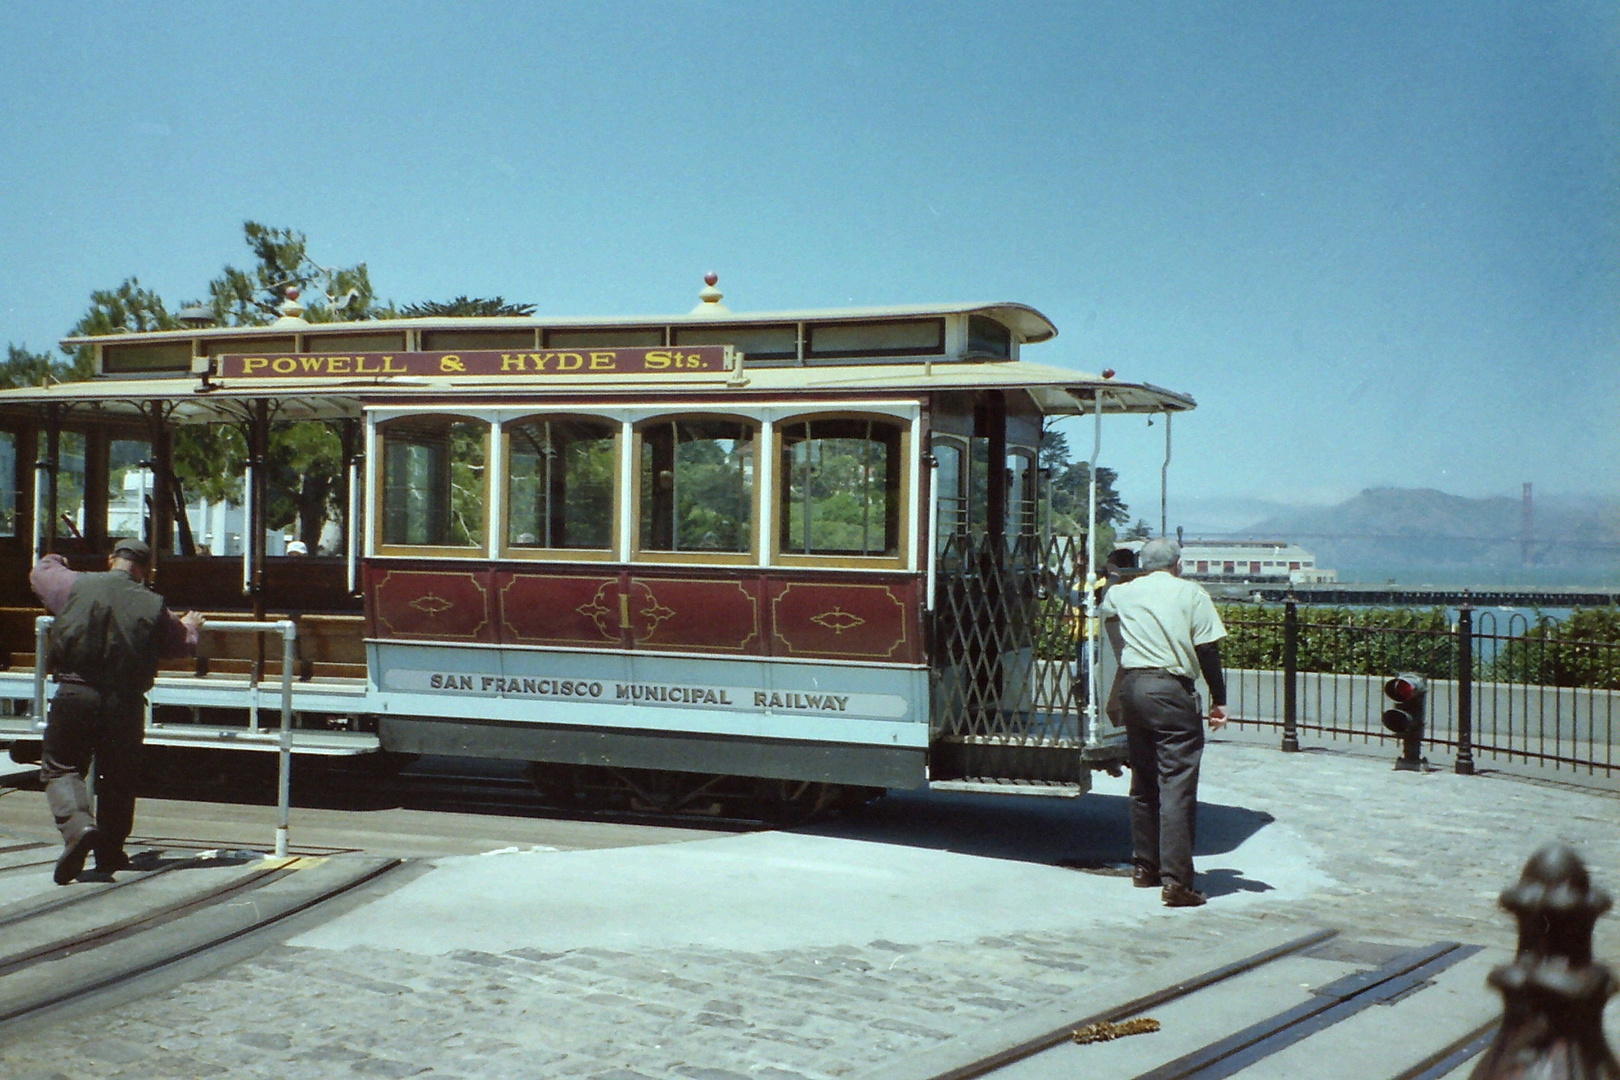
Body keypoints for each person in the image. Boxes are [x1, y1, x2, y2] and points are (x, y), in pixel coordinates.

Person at [31, 539, 204, 884]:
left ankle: (79, 827)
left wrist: (57, 557)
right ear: (146, 570)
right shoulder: (154, 604)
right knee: (118, 780)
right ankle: (110, 852)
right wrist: (192, 625)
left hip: (75, 691)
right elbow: (181, 644)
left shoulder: (74, 583)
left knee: (61, 767)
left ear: (111, 560)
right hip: (124, 702)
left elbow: (40, 573)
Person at [1097, 537, 1227, 908]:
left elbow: (1105, 611)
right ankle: (1177, 882)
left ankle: (1145, 868)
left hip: (1134, 687)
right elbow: (1207, 649)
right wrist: (1220, 700)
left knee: (1144, 781)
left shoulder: (1125, 592)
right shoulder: (1191, 594)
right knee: (1177, 785)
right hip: (1171, 689)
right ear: (1177, 564)